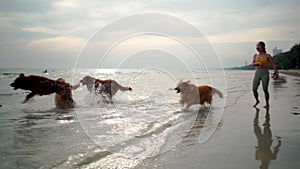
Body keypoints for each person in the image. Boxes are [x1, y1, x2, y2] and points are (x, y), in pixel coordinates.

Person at [252, 41, 278, 108]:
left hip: (265, 73)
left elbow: (273, 64)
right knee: (254, 88)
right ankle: (257, 100)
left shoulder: (267, 56)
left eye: (259, 45)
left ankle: (267, 104)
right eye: (256, 46)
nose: (257, 47)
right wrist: (258, 63)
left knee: (265, 89)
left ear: (263, 47)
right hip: (257, 72)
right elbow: (253, 64)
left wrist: (276, 73)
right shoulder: (255, 55)